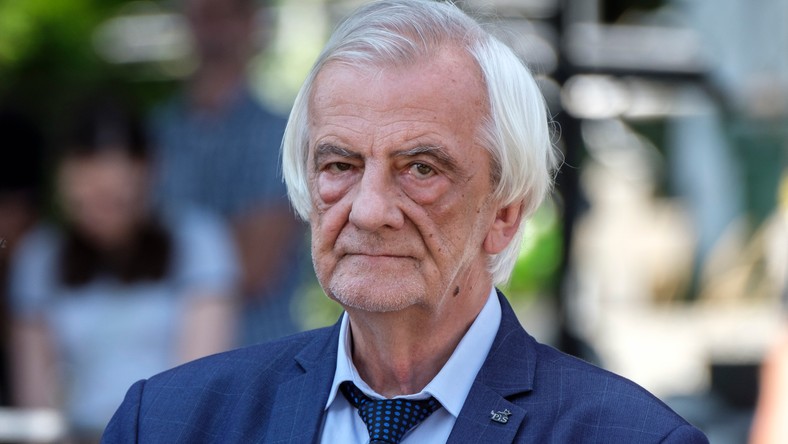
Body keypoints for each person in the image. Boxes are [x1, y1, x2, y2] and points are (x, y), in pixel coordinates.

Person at [103, 1, 709, 442]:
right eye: (340, 165)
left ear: (505, 212)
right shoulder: (166, 423)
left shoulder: (629, 437)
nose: (369, 210)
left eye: (421, 169)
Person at [8, 98, 238, 440]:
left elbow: (201, 380)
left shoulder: (198, 240)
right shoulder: (40, 255)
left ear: (151, 173)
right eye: (87, 201)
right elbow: (35, 402)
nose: (103, 216)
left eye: (117, 200)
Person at [151, 0, 305, 345]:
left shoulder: (281, 134)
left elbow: (253, 267)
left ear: (253, 23)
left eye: (227, 12)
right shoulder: (156, 131)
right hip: (164, 354)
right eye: (203, 14)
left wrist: (159, 248)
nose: (214, 27)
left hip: (260, 351)